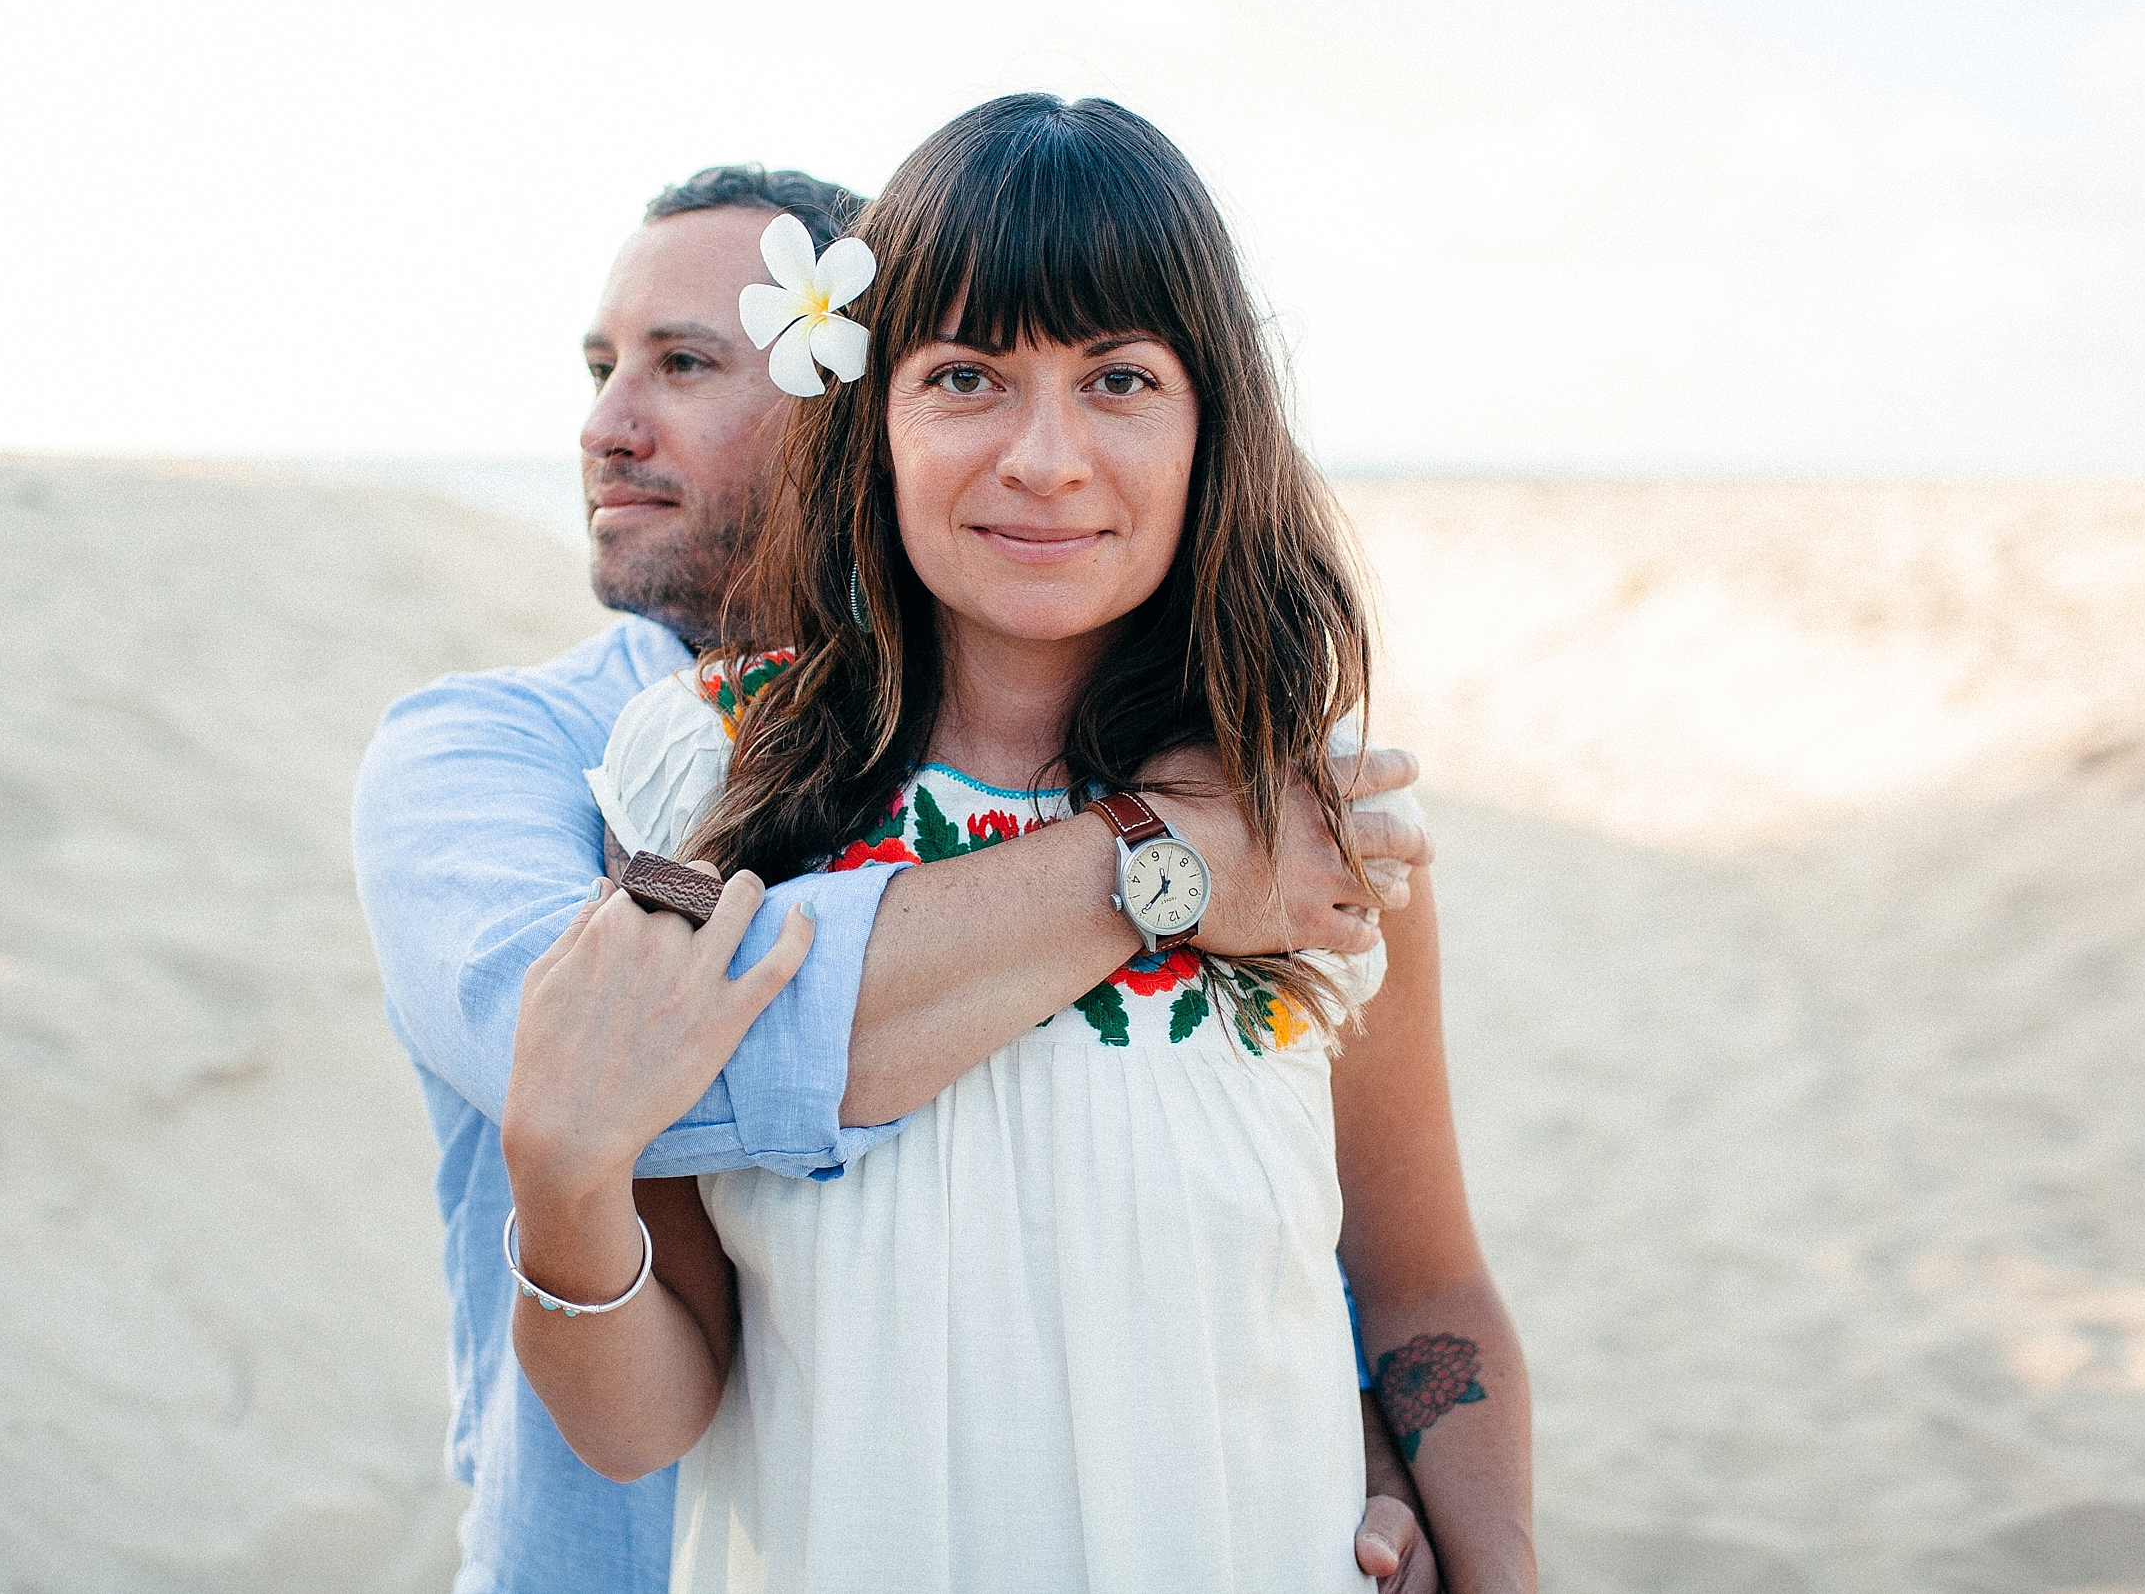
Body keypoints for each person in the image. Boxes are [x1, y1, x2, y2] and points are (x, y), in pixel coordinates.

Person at [353, 164, 1440, 1594]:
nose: (607, 427)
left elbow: (1353, 1243)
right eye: (603, 367)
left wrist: (1354, 1433)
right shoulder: (533, 756)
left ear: (840, 403)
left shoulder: (1274, 797)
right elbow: (604, 1071)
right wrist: (1168, 861)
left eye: (685, 364)